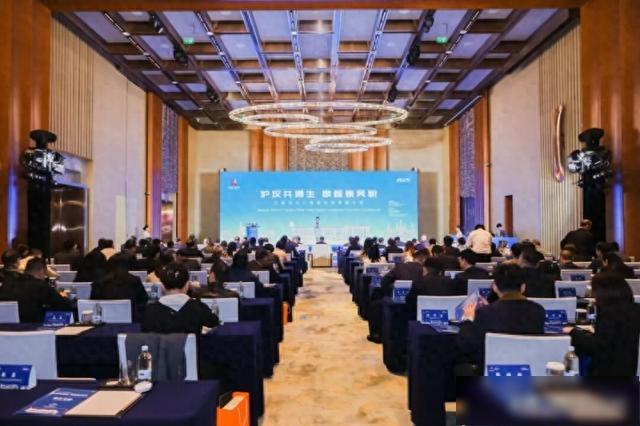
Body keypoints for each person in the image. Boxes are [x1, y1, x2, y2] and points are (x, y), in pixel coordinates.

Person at [456, 264, 545, 373]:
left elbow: (465, 346)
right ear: (523, 287)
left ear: (494, 287)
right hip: (528, 370)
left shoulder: (485, 313)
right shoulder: (538, 310)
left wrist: (468, 318)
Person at [564, 273, 640, 376]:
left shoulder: (610, 314)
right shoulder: (636, 309)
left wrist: (573, 332)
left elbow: (596, 347)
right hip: (631, 369)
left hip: (609, 374)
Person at [367, 250, 429, 343]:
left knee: (375, 303)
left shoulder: (400, 267)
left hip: (399, 304)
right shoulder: (428, 272)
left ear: (414, 258)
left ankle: (377, 334)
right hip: (420, 306)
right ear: (424, 260)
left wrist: (391, 291)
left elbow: (384, 281)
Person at [142, 262, 219, 335]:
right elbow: (214, 326)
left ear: (162, 286)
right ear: (187, 285)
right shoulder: (201, 309)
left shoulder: (149, 312)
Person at [0, 257, 72, 323]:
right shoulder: (40, 285)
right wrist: (64, 297)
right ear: (42, 271)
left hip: (5, 328)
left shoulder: (7, 283)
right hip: (33, 327)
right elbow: (65, 305)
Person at [90, 253, 149, 322]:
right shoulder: (134, 280)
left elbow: (93, 303)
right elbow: (143, 300)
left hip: (103, 321)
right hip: (132, 320)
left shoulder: (99, 282)